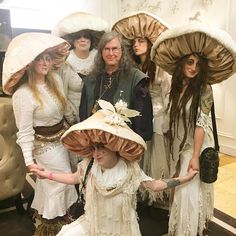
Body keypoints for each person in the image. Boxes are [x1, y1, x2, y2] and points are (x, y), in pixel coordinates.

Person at [30, 99, 198, 236]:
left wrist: (184, 178)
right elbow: (74, 177)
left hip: (121, 230)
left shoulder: (130, 170)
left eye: (101, 148)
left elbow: (154, 185)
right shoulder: (90, 166)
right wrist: (48, 175)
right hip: (94, 225)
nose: (96, 154)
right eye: (93, 149)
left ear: (113, 145)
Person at [151, 23, 236, 236]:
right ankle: (175, 228)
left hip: (194, 145)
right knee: (176, 187)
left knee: (188, 190)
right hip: (176, 144)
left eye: (198, 64)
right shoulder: (176, 86)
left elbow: (201, 125)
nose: (193, 67)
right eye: (189, 62)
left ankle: (186, 232)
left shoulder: (204, 89)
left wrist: (195, 156)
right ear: (181, 63)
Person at [2, 32, 78, 236]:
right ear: (29, 63)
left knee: (60, 184)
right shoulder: (23, 95)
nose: (45, 62)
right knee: (58, 184)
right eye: (39, 58)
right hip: (44, 148)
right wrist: (29, 162)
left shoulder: (56, 82)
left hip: (63, 141)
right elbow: (24, 133)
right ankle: (51, 228)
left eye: (47, 58)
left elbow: (65, 112)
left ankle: (63, 223)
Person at [112, 11, 172, 209]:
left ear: (150, 42)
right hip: (139, 118)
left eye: (141, 41)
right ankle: (143, 193)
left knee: (155, 158)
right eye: (134, 41)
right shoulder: (135, 65)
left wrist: (165, 122)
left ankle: (156, 197)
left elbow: (167, 95)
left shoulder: (160, 66)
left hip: (157, 119)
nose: (136, 44)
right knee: (141, 155)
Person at [79, 30, 153, 141]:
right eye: (107, 49)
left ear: (122, 51)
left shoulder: (136, 78)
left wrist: (134, 145)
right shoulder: (91, 80)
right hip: (96, 142)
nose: (111, 53)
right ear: (101, 52)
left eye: (114, 49)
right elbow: (84, 113)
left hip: (125, 142)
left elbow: (143, 117)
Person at [52, 11, 109, 122]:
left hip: (97, 115)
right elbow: (61, 93)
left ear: (91, 40)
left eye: (86, 36)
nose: (83, 39)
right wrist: (70, 118)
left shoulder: (99, 57)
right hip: (74, 115)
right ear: (73, 41)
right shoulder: (66, 61)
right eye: (78, 37)